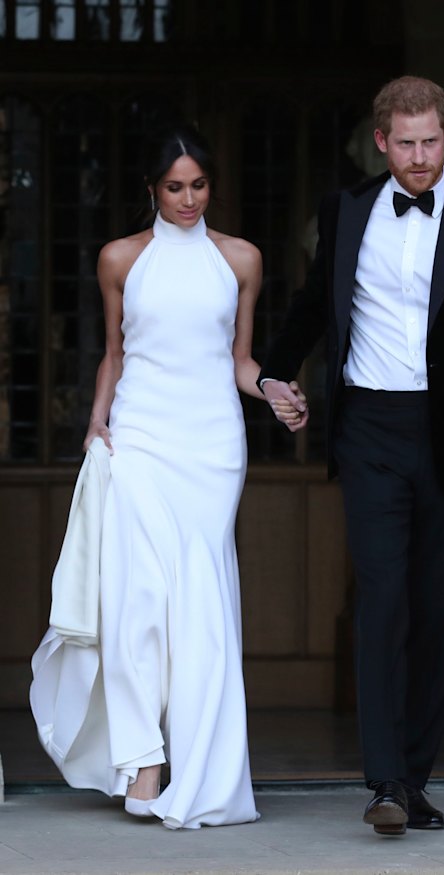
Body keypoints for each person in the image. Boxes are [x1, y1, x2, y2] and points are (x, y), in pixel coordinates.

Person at [259, 76, 444, 836]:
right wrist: (274, 372)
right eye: (405, 143)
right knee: (384, 598)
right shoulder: (346, 209)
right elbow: (314, 304)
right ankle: (385, 781)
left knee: (437, 608)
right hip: (370, 429)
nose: (419, 157)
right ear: (381, 141)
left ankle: (413, 780)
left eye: (430, 142)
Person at [30, 125, 295, 830]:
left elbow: (240, 360)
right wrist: (96, 423)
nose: (187, 198)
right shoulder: (120, 257)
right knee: (138, 600)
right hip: (141, 437)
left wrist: (272, 388)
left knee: (201, 605)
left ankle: (202, 767)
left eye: (198, 185)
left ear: (212, 185)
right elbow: (115, 352)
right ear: (152, 188)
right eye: (174, 186)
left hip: (213, 447)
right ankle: (143, 761)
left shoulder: (241, 258)